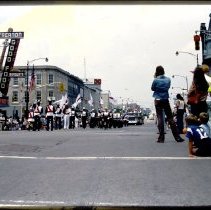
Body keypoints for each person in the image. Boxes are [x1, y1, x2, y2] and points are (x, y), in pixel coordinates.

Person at [151, 65, 184, 143]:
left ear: (157, 71)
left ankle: (161, 138)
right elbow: (168, 87)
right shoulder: (168, 79)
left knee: (160, 118)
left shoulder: (155, 80)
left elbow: (152, 88)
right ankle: (177, 137)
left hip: (158, 99)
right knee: (170, 118)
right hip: (165, 99)